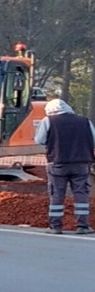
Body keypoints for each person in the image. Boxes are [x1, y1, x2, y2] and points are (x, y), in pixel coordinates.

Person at [34, 99, 95, 235]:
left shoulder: (48, 120)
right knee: (81, 194)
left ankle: (55, 227)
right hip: (81, 163)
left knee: (57, 193)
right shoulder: (84, 121)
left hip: (57, 162)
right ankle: (83, 226)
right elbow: (93, 139)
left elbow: (40, 140)